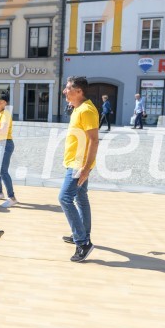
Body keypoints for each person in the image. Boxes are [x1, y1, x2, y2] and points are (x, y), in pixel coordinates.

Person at [59, 76, 99, 262]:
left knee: (65, 198)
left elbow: (94, 140)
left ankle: (82, 242)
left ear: (79, 91)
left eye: (68, 88)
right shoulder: (78, 109)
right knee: (81, 198)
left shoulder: (87, 110)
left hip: (78, 164)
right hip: (75, 162)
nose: (64, 91)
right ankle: (83, 234)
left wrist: (86, 168)